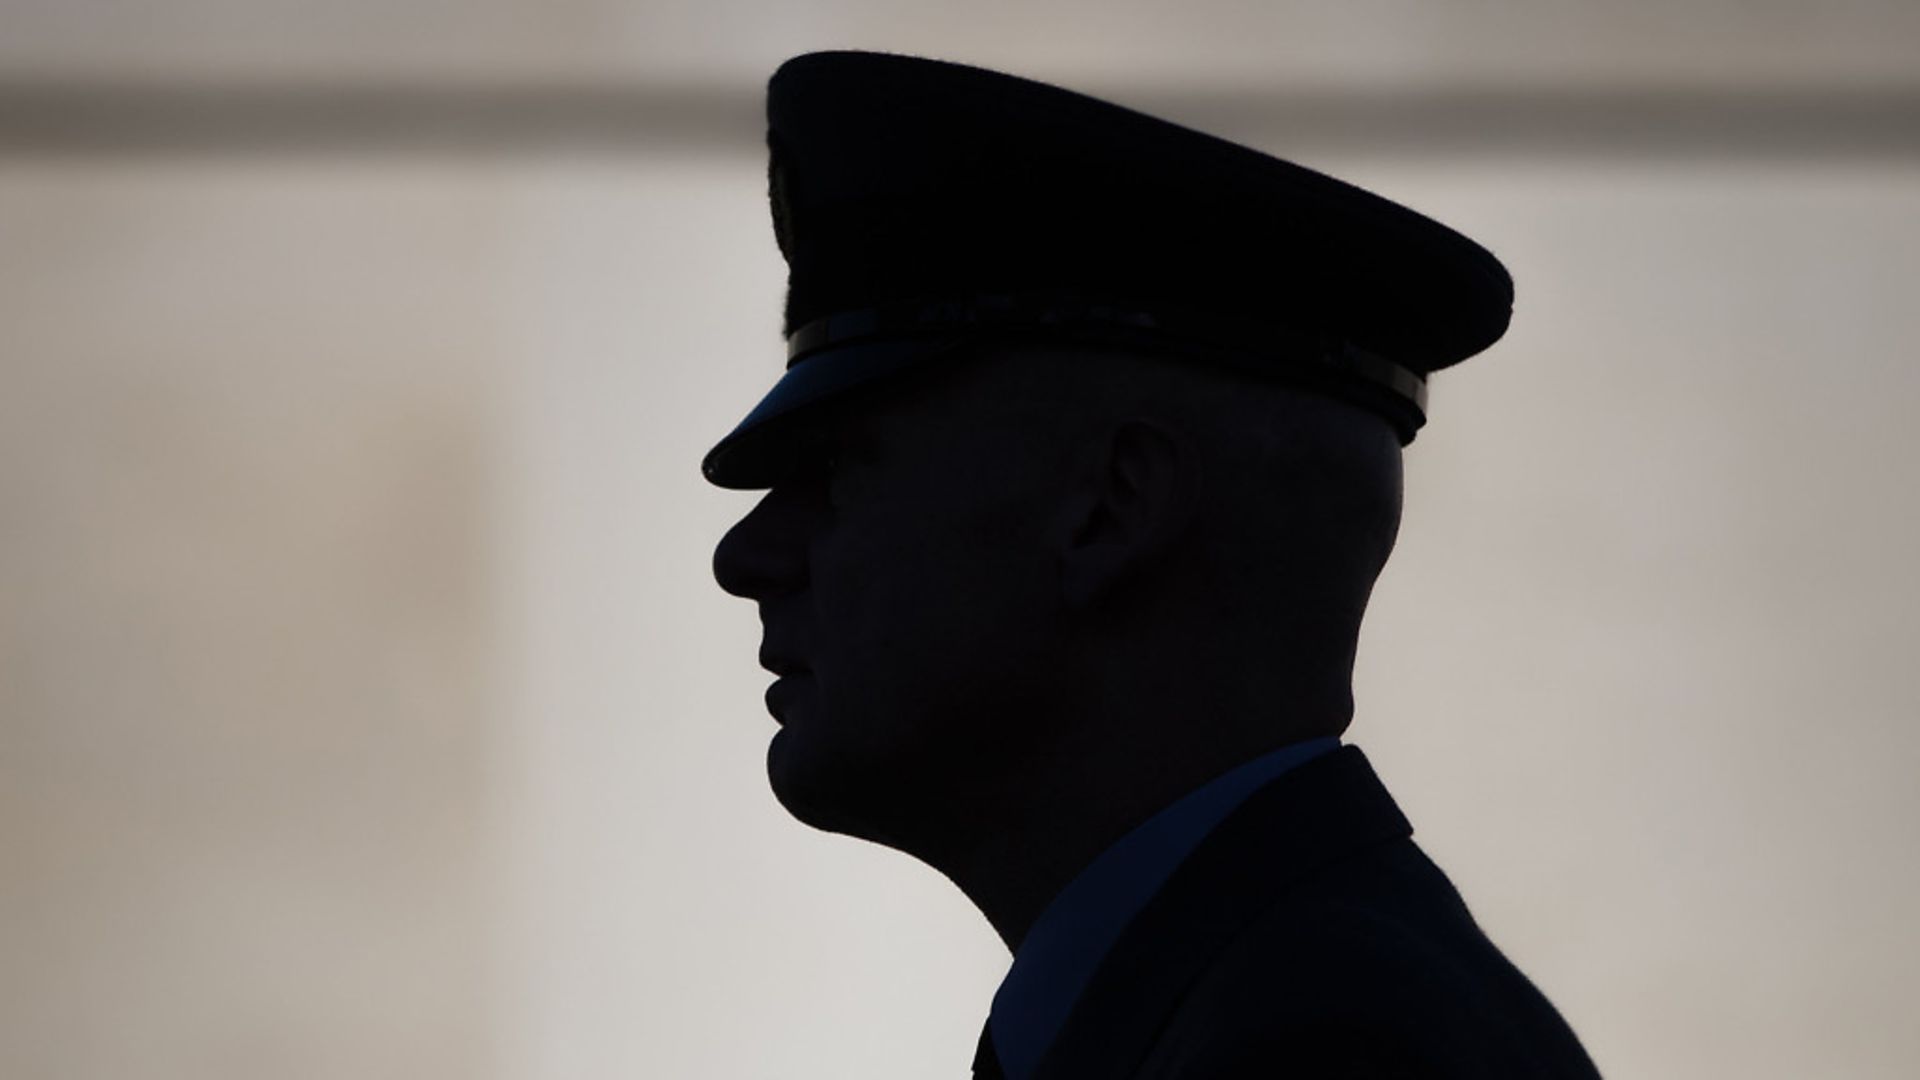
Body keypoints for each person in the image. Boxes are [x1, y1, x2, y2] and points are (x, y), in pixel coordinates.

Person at [707, 50, 1602, 1079]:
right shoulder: (1248, 1001)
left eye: (839, 471)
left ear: (1111, 510)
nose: (749, 554)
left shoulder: (1324, 1048)